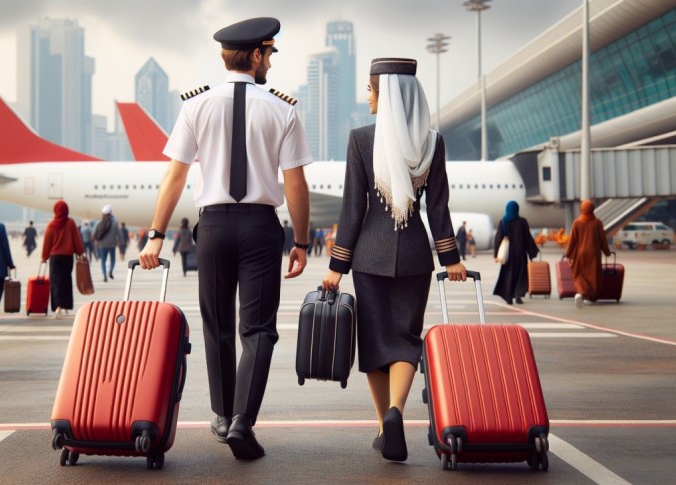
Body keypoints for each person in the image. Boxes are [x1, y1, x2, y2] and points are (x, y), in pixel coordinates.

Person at [138, 17, 311, 461]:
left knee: (217, 326)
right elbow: (295, 185)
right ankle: (242, 421)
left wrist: (156, 236)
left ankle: (220, 414)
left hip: (212, 227)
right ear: (256, 55)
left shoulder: (195, 107)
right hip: (259, 227)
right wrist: (303, 242)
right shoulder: (283, 109)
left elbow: (174, 177)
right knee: (259, 330)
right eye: (269, 53)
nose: (270, 61)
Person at [321, 58, 466, 463]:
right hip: (417, 256)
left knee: (374, 342)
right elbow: (438, 209)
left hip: (368, 256)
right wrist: (450, 259)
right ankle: (397, 413)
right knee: (404, 339)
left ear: (384, 96)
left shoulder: (361, 139)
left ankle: (384, 425)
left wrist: (337, 265)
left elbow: (352, 209)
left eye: (370, 90)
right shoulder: (432, 143)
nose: (367, 97)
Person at [41, 201, 85, 319]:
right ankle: (65, 305)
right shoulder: (70, 223)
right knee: (66, 281)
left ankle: (58, 306)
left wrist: (44, 257)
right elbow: (76, 239)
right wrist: (80, 252)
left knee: (56, 281)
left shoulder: (51, 225)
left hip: (55, 258)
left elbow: (47, 242)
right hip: (67, 257)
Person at [564, 200, 611, 308]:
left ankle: (581, 293)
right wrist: (607, 252)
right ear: (592, 209)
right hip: (594, 254)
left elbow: (572, 240)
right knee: (594, 276)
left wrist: (568, 254)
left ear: (582, 209)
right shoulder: (597, 223)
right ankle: (591, 297)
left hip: (580, 254)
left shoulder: (577, 222)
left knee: (578, 275)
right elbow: (602, 239)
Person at [493, 200, 539, 305]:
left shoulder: (503, 221)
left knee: (508, 276)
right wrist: (532, 252)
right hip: (520, 254)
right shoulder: (522, 221)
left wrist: (496, 254)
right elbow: (527, 238)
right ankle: (518, 295)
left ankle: (509, 297)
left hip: (508, 255)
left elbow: (498, 238)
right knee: (521, 275)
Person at [94, 205, 122, 282]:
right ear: (110, 213)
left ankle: (105, 275)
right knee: (112, 260)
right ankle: (111, 271)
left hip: (102, 245)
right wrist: (121, 242)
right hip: (112, 245)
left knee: (103, 261)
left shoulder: (98, 223)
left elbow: (94, 234)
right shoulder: (114, 223)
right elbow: (119, 234)